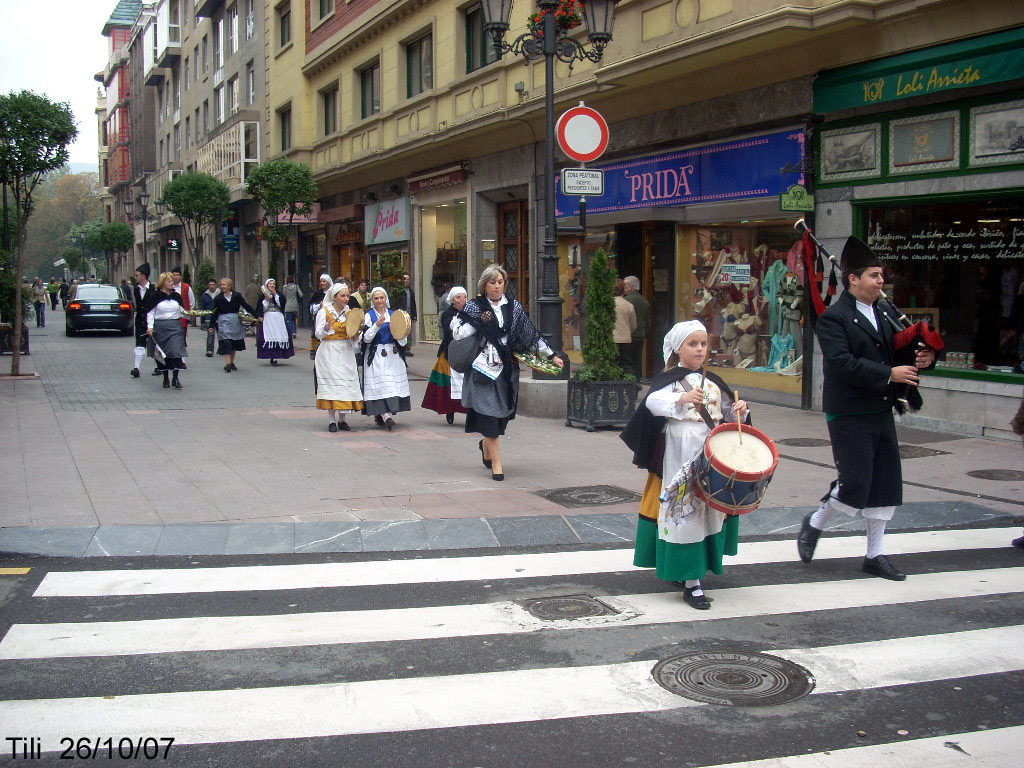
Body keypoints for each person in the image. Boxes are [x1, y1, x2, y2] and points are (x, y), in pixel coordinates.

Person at [797, 237, 935, 581]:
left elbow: (904, 350)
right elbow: (842, 363)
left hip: (881, 408)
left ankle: (875, 555)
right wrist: (888, 373)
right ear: (853, 279)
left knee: (885, 482)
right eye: (874, 275)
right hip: (848, 411)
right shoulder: (833, 319)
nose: (881, 281)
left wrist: (926, 357)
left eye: (881, 275)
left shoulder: (886, 312)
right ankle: (815, 522)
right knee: (857, 482)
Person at [620, 320, 749, 610]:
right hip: (681, 452)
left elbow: (727, 413)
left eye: (703, 344)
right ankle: (692, 582)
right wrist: (681, 398)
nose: (700, 349)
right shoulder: (670, 380)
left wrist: (741, 409)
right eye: (693, 344)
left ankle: (694, 571)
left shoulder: (715, 380)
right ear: (678, 349)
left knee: (710, 508)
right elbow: (652, 403)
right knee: (685, 508)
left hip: (712, 452)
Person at [456, 264, 562, 481]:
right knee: (490, 416)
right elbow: (458, 333)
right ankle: (497, 463)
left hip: (507, 368)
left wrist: (551, 355)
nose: (497, 286)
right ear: (484, 285)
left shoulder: (513, 307)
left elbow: (530, 333)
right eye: (493, 282)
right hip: (483, 370)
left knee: (503, 416)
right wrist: (478, 322)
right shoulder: (474, 307)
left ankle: (486, 445)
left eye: (501, 282)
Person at [314, 283, 364, 432]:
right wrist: (326, 328)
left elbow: (353, 338)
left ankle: (343, 420)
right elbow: (318, 335)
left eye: (347, 295)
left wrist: (356, 336)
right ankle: (331, 420)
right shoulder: (324, 312)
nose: (346, 298)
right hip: (329, 351)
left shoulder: (350, 313)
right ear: (334, 297)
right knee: (332, 385)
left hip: (345, 351)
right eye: (343, 296)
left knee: (345, 384)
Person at [360, 286, 411, 430]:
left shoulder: (394, 314)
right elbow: (366, 339)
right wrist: (376, 325)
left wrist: (399, 336)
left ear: (386, 299)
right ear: (372, 300)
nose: (379, 300)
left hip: (393, 356)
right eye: (376, 298)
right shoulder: (369, 316)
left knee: (392, 385)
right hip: (376, 355)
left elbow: (403, 339)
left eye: (382, 298)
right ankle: (386, 416)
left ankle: (384, 414)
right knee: (380, 385)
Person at [421, 285, 469, 425]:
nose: (462, 300)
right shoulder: (447, 314)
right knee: (449, 383)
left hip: (468, 353)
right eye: (458, 297)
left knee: (467, 383)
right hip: (450, 353)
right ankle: (450, 409)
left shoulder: (471, 312)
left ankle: (470, 412)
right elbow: (452, 330)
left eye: (464, 297)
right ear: (453, 300)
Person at [146, 272, 188, 389]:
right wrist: (150, 326)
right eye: (169, 281)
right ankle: (165, 378)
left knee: (176, 351)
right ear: (163, 283)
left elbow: (182, 311)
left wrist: (191, 315)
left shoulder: (176, 296)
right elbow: (150, 312)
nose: (172, 283)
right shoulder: (155, 296)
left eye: (172, 281)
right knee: (163, 353)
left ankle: (176, 378)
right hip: (160, 327)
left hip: (175, 326)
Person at [209, 278, 258, 373]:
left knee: (234, 343)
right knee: (226, 341)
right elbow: (214, 312)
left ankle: (231, 362)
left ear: (229, 286)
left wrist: (257, 315)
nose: (222, 286)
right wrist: (211, 325)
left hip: (235, 321)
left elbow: (246, 306)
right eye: (221, 285)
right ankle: (227, 364)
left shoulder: (236, 296)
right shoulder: (218, 298)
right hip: (224, 322)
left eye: (224, 285)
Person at [255, 278, 295, 366]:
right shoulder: (262, 296)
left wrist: (276, 295)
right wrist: (266, 300)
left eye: (273, 284)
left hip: (278, 317)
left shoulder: (280, 295)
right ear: (267, 285)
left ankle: (276, 356)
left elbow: (282, 305)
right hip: (268, 317)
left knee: (278, 335)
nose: (272, 286)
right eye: (270, 284)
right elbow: (261, 308)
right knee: (269, 336)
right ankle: (271, 355)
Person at [129, 263, 158, 378]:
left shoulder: (154, 289)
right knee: (140, 344)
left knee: (155, 345)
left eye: (137, 275)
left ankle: (159, 366)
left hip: (152, 322)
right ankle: (136, 368)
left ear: (143, 276)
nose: (135, 277)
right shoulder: (136, 289)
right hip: (140, 320)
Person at [623, 276, 651, 379]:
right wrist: (644, 332)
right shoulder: (644, 301)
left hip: (629, 335)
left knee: (627, 361)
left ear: (630, 287)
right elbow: (648, 321)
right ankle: (637, 381)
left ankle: (629, 381)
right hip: (640, 335)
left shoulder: (626, 300)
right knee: (638, 361)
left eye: (624, 285)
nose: (623, 288)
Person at [613, 278, 638, 373]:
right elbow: (634, 325)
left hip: (611, 338)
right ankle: (629, 382)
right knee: (625, 363)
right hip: (625, 339)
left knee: (612, 363)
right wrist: (627, 331)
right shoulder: (629, 305)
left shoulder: (608, 304)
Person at [308, 273, 332, 360]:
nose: (322, 283)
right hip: (320, 319)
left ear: (328, 282)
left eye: (324, 281)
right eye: (321, 281)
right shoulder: (317, 294)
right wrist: (319, 305)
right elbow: (311, 308)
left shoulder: (333, 294)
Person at [394, 273, 418, 355]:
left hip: (409, 315)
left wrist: (414, 316)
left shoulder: (411, 292)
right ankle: (401, 347)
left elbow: (413, 305)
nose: (406, 281)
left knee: (409, 332)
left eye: (408, 279)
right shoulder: (398, 292)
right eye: (405, 279)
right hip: (400, 316)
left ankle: (408, 348)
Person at [200, 279, 219, 357]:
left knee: (221, 334)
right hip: (209, 317)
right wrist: (202, 321)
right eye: (210, 284)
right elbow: (203, 308)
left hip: (219, 317)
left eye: (213, 284)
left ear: (216, 285)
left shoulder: (220, 294)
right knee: (210, 334)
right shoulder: (205, 295)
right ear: (208, 286)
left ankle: (222, 348)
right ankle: (209, 350)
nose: (211, 286)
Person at [281, 274, 303, 340]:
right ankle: (294, 333)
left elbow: (283, 296)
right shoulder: (296, 286)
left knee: (289, 320)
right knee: (294, 320)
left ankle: (289, 333)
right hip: (295, 305)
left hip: (287, 306)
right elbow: (301, 294)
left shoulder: (284, 288)